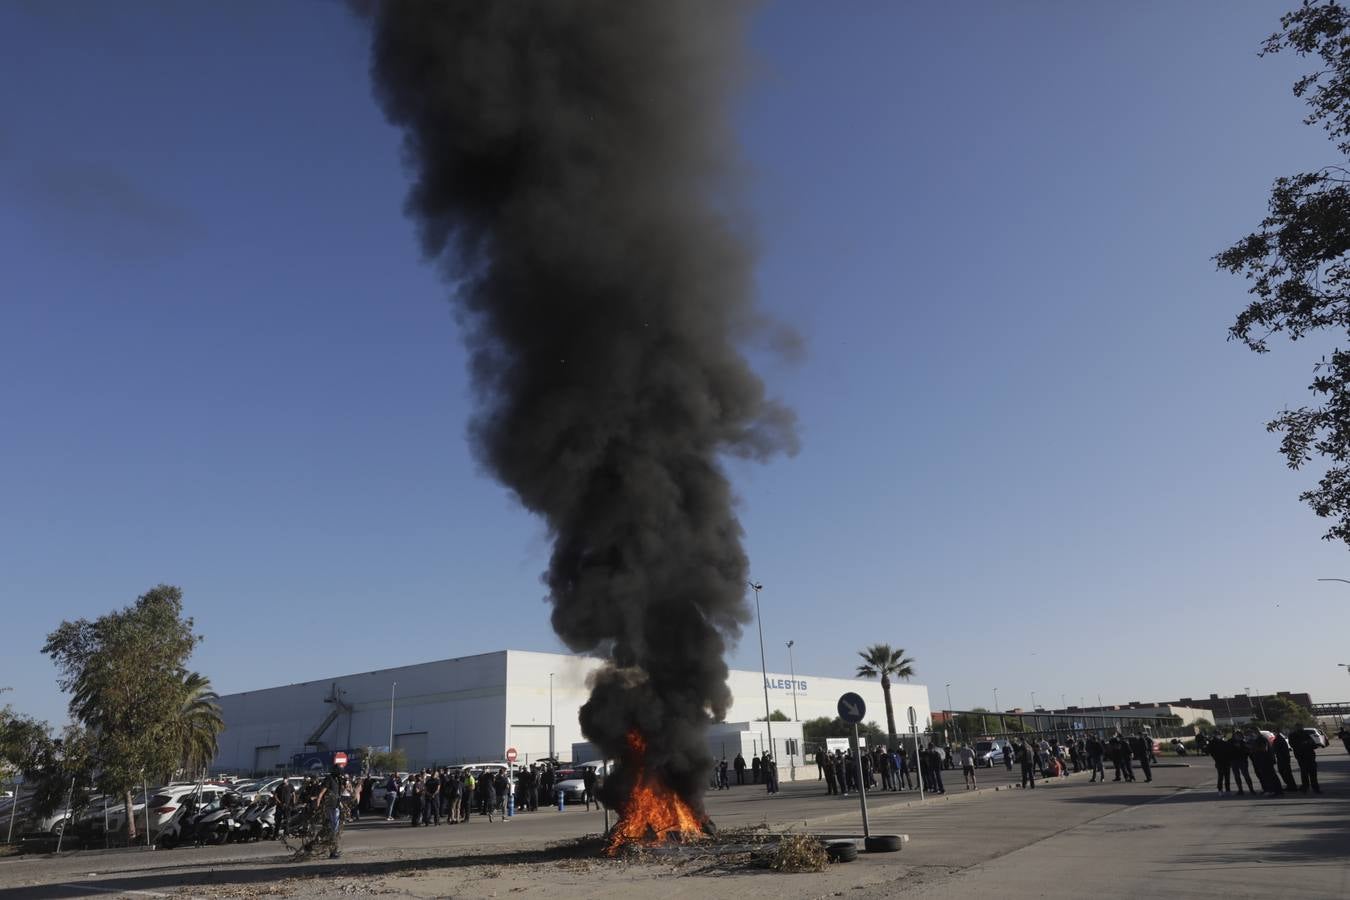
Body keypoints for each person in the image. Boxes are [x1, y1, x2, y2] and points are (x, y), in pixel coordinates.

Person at [315, 764, 345, 859]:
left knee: (335, 829)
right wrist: (318, 804)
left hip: (336, 805)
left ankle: (334, 850)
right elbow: (321, 793)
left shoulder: (337, 779)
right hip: (331, 806)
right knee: (333, 830)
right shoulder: (329, 779)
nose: (341, 773)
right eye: (339, 770)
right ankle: (333, 852)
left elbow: (339, 793)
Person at [1290, 728, 1321, 794]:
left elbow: (1314, 745)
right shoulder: (1302, 737)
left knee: (1306, 774)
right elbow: (1314, 745)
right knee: (1310, 774)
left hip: (1305, 758)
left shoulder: (1296, 737)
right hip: (1306, 758)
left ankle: (1307, 788)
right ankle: (1313, 788)